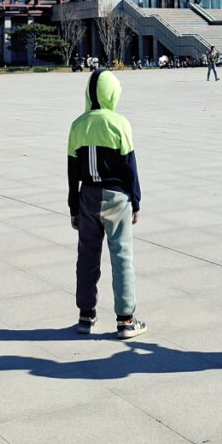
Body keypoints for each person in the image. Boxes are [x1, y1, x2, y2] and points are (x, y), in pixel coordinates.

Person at [67, 69, 146, 339]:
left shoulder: (78, 125)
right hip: (117, 197)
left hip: (87, 195)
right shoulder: (119, 123)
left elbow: (72, 171)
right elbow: (130, 167)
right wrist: (135, 200)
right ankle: (125, 319)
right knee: (121, 256)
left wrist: (73, 207)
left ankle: (86, 315)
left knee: (87, 257)